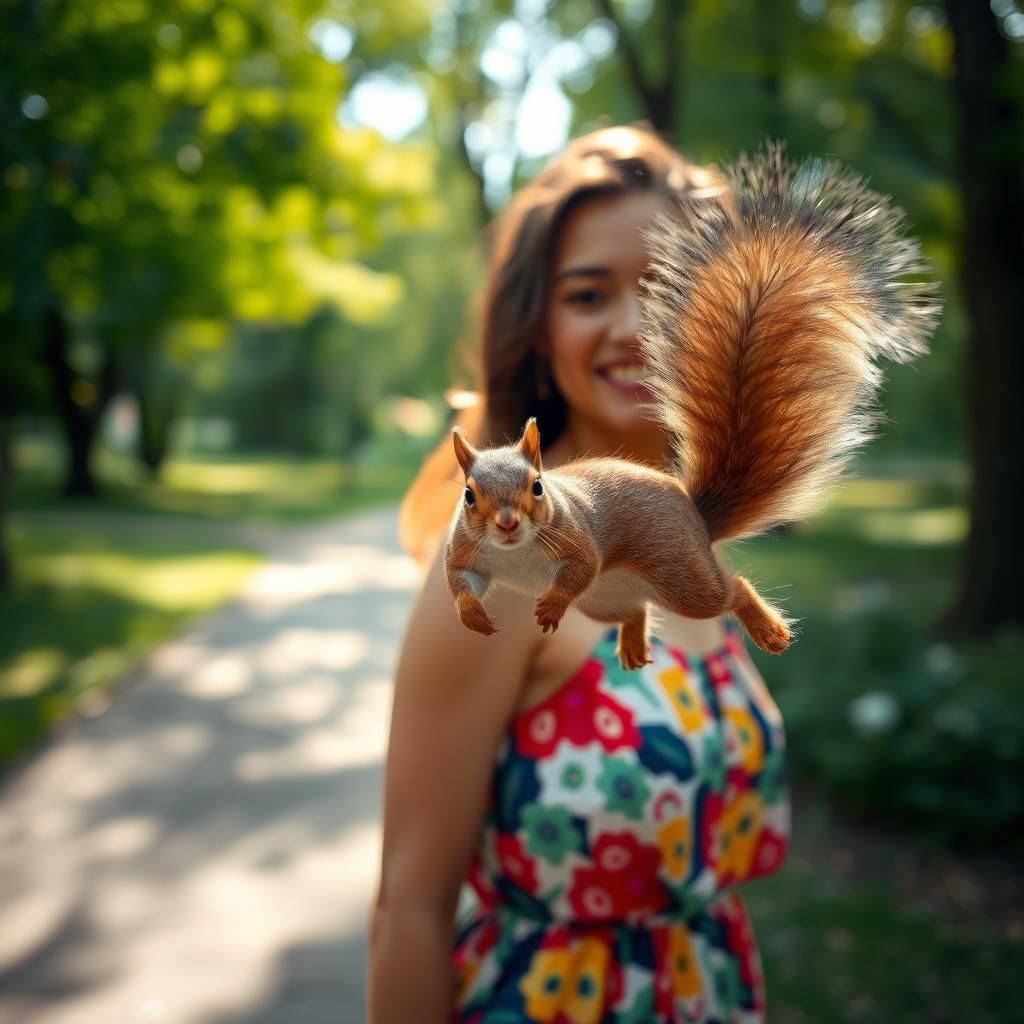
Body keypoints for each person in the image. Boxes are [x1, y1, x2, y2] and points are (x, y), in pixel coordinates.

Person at [368, 125, 790, 1024]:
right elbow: (407, 910)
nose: (634, 327)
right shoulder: (504, 571)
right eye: (590, 293)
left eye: (671, 287)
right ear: (540, 326)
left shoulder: (687, 533)